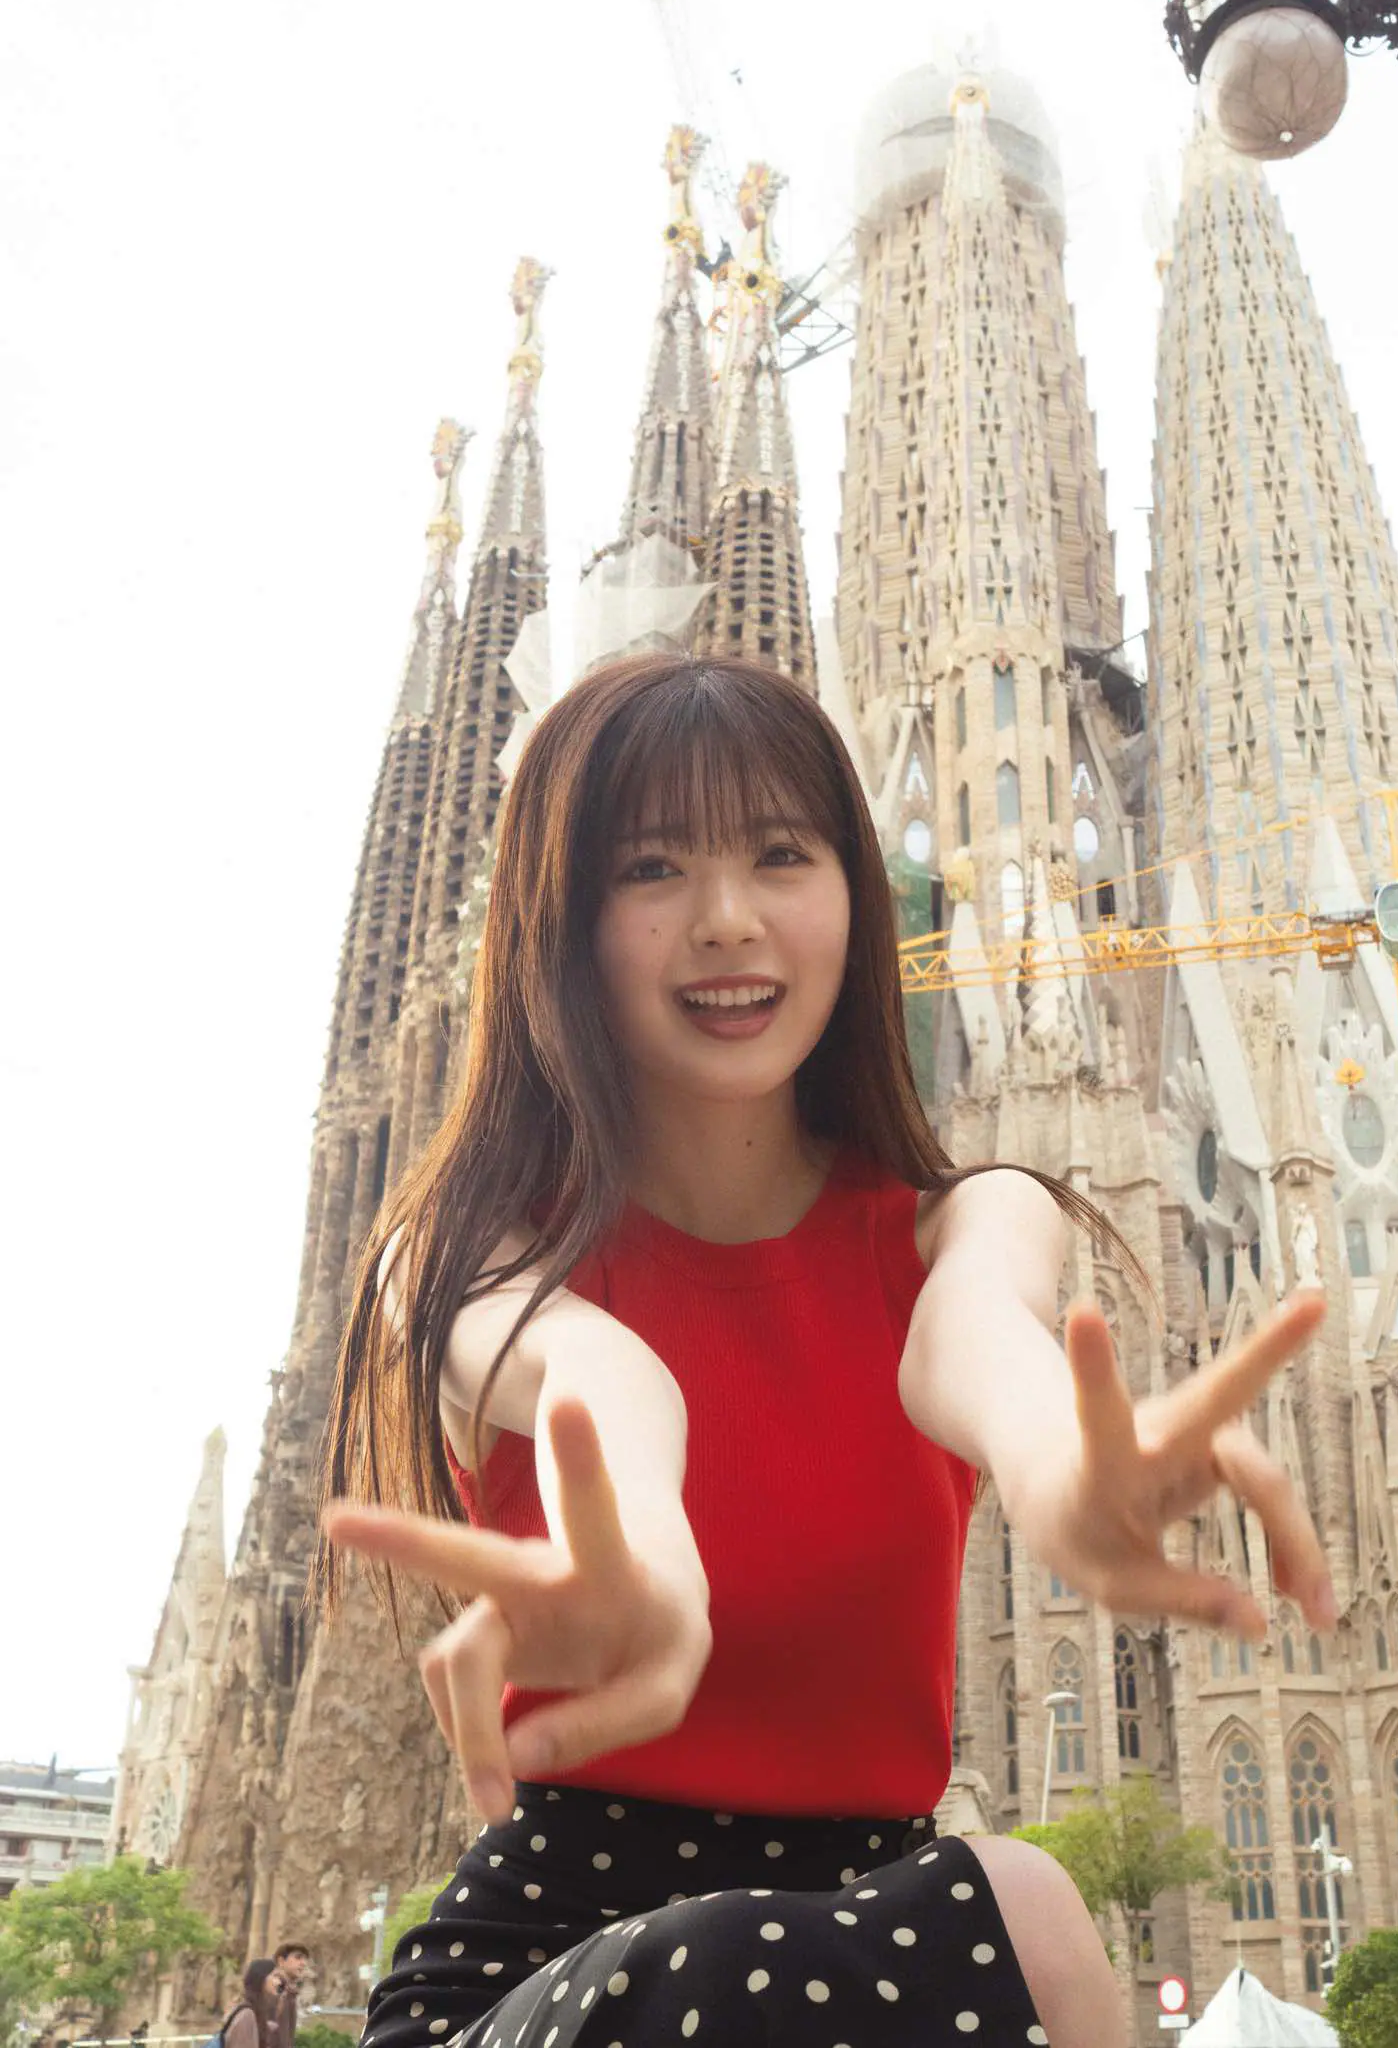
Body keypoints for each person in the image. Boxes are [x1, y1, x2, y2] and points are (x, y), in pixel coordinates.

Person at [319, 652, 1336, 2048]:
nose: (726, 918)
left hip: (886, 1944)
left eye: (780, 854)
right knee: (812, 1941)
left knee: (1023, 1900)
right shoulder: (458, 1254)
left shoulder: (967, 1221)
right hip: (546, 1981)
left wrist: (1063, 1470)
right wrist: (653, 1564)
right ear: (558, 920)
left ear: (855, 896)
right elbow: (601, 1380)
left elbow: (975, 1343)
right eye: (652, 867)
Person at [222, 1961, 279, 2048]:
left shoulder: (255, 2010)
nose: (278, 1982)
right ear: (261, 1978)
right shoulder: (247, 2015)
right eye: (274, 1976)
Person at [269, 1944, 310, 2048]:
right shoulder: (275, 1989)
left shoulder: (289, 1991)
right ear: (281, 1961)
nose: (303, 1963)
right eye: (298, 1957)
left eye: (305, 1959)